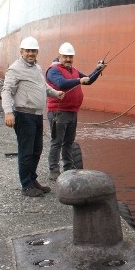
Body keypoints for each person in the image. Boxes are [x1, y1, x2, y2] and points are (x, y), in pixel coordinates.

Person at [1, 36, 64, 197]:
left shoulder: (36, 68)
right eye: (27, 51)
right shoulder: (15, 69)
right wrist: (8, 112)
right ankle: (26, 185)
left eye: (33, 51)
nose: (30, 53)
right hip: (23, 115)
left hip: (36, 115)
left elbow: (42, 86)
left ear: (37, 52)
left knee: (37, 150)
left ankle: (32, 179)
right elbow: (6, 91)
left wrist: (56, 93)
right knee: (26, 151)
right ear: (21, 51)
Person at [45, 42, 106, 180]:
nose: (68, 59)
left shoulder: (73, 70)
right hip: (58, 112)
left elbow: (88, 81)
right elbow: (61, 83)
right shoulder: (53, 70)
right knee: (57, 142)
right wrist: (79, 80)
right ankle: (54, 170)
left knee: (68, 142)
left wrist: (98, 70)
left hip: (72, 112)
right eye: (65, 56)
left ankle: (68, 168)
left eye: (70, 57)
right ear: (59, 55)